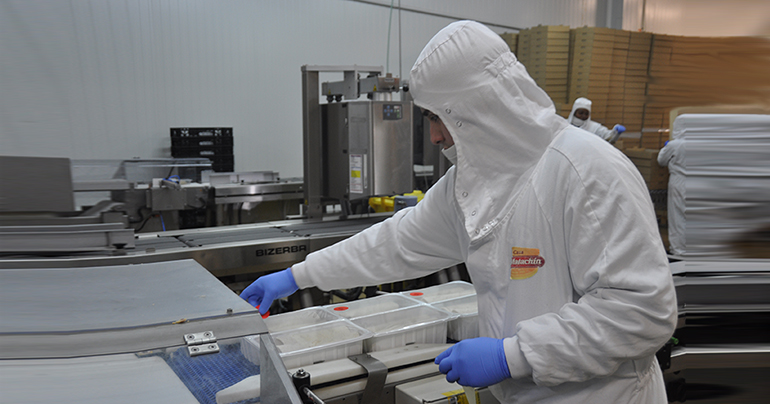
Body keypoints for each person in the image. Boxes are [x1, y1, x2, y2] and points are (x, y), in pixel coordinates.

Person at [241, 21, 677, 403]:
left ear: (476, 110)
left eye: (437, 118)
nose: (433, 136)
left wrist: (512, 355)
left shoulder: (585, 171)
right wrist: (299, 275)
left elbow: (641, 313)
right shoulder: (472, 183)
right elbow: (395, 242)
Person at [657, 117, 686, 256]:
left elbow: (661, 161)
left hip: (679, 182)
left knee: (677, 216)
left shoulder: (674, 145)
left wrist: (666, 147)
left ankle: (679, 250)